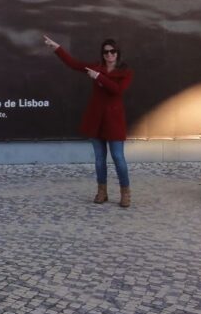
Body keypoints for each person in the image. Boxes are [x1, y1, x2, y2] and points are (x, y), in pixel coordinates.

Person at [43, 35, 134, 207]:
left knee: (118, 157)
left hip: (114, 121)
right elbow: (73, 64)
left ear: (117, 53)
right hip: (96, 119)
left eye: (112, 51)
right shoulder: (95, 67)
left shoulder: (125, 72)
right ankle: (102, 191)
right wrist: (57, 47)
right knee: (99, 159)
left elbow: (117, 90)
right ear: (102, 54)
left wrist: (99, 77)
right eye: (106, 52)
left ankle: (125, 192)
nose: (109, 55)